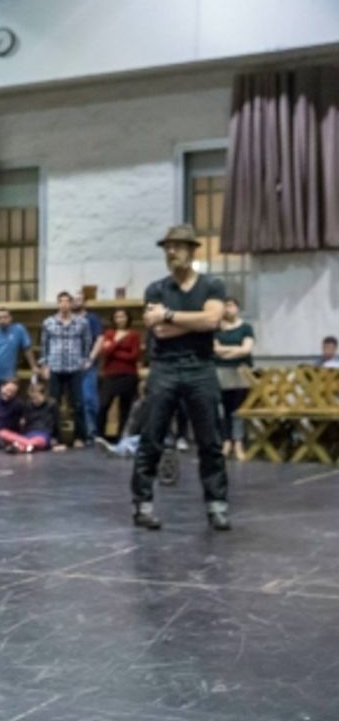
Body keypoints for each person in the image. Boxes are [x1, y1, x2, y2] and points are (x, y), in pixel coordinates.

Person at [131, 225, 229, 531]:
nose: (171, 252)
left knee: (210, 440)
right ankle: (142, 505)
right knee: (151, 438)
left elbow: (213, 319)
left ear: (191, 249)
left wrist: (170, 315)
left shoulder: (212, 285)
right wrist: (197, 322)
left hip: (201, 367)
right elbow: (158, 330)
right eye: (167, 247)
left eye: (177, 246)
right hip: (165, 367)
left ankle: (216, 505)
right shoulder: (156, 289)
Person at [37, 291, 93, 447]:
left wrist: (85, 359)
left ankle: (79, 437)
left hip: (74, 367)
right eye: (61, 301)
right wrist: (44, 364)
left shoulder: (82, 322)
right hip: (55, 367)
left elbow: (87, 341)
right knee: (53, 403)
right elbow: (44, 344)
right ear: (57, 304)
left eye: (67, 301)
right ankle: (54, 436)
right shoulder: (48, 322)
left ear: (71, 304)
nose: (64, 304)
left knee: (78, 403)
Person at [213, 298, 255, 459]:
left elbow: (246, 349)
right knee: (222, 410)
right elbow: (214, 349)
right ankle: (226, 441)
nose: (227, 309)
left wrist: (226, 351)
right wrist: (235, 349)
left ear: (237, 308)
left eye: (230, 305)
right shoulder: (216, 328)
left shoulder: (245, 328)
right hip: (220, 372)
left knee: (238, 410)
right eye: (224, 306)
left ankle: (238, 442)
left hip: (240, 373)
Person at [96, 308, 142, 445]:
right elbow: (105, 352)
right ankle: (100, 436)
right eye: (117, 317)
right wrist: (118, 344)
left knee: (125, 408)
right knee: (104, 405)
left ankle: (122, 437)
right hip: (110, 375)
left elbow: (134, 355)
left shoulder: (134, 335)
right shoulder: (109, 333)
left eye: (123, 316)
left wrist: (114, 349)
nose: (120, 319)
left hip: (128, 375)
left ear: (128, 318)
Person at [72, 291, 104, 441]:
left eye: (80, 299)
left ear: (85, 302)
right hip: (69, 365)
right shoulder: (67, 318)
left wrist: (91, 358)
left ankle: (91, 433)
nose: (77, 302)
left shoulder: (92, 318)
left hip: (86, 364)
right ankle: (78, 434)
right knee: (75, 401)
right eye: (74, 299)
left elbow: (100, 338)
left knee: (89, 399)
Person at [0, 381, 65, 453]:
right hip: (29, 434)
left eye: (36, 397)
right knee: (3, 433)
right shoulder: (28, 405)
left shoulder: (52, 404)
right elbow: (25, 423)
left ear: (44, 395)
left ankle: (18, 445)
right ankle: (23, 446)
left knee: (37, 441)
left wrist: (59, 442)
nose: (34, 400)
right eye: (32, 398)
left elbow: (57, 423)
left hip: (43, 434)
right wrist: (22, 434)